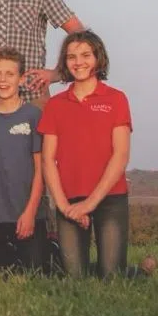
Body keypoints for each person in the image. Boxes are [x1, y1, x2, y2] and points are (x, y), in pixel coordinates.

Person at [38, 30, 132, 279]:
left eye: (85, 55)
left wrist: (90, 204)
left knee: (112, 278)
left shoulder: (116, 99)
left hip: (110, 197)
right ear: (65, 62)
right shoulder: (55, 105)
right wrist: (64, 206)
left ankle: (137, 272)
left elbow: (121, 155)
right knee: (74, 279)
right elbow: (48, 159)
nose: (78, 62)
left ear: (98, 58)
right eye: (71, 57)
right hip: (68, 199)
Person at [0, 47, 47, 273]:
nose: (3, 80)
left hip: (27, 215)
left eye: (10, 74)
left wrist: (30, 212)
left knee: (35, 277)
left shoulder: (34, 116)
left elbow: (41, 170)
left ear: (21, 78)